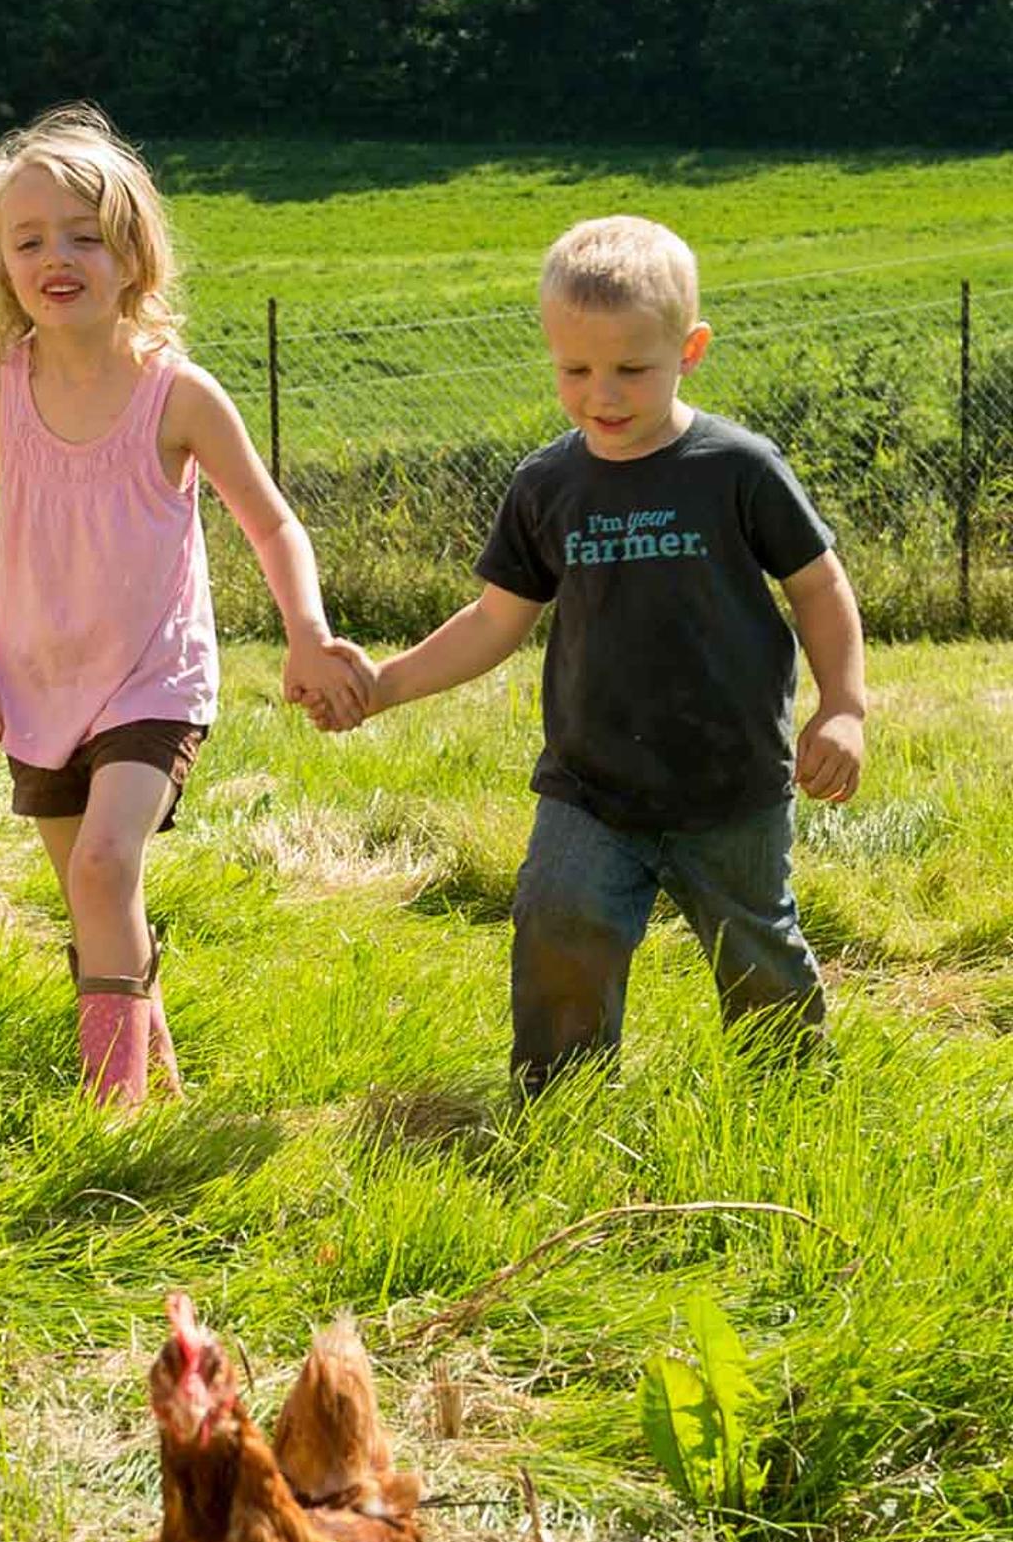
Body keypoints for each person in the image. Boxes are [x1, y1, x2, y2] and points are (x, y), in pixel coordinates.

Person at [323, 214, 866, 1089]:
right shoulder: (547, 486)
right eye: (575, 370)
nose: (601, 395)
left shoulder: (738, 469)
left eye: (631, 370)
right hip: (591, 785)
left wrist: (842, 705)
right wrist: (385, 686)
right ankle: (561, 1105)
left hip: (730, 785)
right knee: (560, 926)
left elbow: (819, 588)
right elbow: (495, 621)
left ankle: (791, 1099)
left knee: (757, 952)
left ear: (689, 350)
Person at [0, 106, 368, 1110]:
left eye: (86, 235)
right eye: (29, 238)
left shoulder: (180, 396)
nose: (58, 256)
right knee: (93, 901)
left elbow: (273, 523)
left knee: (105, 859)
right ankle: (155, 1091)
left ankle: (110, 1111)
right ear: (1, 264)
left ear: (134, 256)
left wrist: (305, 633)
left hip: (152, 678)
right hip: (34, 683)